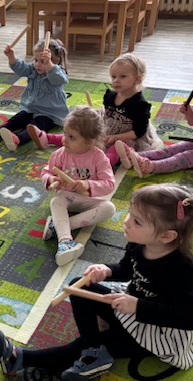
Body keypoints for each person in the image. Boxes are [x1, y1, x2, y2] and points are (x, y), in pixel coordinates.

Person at [0, 183, 193, 381]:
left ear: (167, 236)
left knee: (84, 345)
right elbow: (127, 269)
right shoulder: (138, 243)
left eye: (137, 221)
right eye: (130, 214)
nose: (126, 221)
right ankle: (94, 352)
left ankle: (20, 359)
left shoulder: (182, 269)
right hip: (129, 306)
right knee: (79, 287)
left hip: (157, 332)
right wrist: (107, 270)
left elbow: (188, 318)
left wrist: (138, 306)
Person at [29, 53, 161, 163]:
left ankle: (104, 162)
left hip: (127, 137)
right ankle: (47, 138)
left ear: (137, 79)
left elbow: (138, 131)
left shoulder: (139, 104)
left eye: (122, 76)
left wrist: (116, 137)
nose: (116, 80)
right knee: (81, 133)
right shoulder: (110, 96)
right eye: (113, 77)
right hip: (107, 129)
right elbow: (107, 115)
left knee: (117, 147)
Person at [41, 106, 116, 266]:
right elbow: (46, 172)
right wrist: (52, 180)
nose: (64, 140)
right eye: (65, 134)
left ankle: (58, 225)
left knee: (109, 208)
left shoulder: (99, 157)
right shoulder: (60, 154)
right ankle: (65, 241)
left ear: (89, 141)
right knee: (56, 201)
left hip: (89, 200)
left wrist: (88, 184)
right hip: (67, 197)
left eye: (72, 137)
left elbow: (109, 184)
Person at [0, 38, 69, 151]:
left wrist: (49, 64)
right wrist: (12, 57)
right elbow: (22, 68)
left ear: (55, 61)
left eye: (43, 61)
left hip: (50, 114)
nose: (38, 64)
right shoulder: (33, 69)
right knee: (16, 120)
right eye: (36, 60)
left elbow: (58, 79)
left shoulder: (57, 72)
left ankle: (18, 139)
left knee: (33, 127)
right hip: (31, 109)